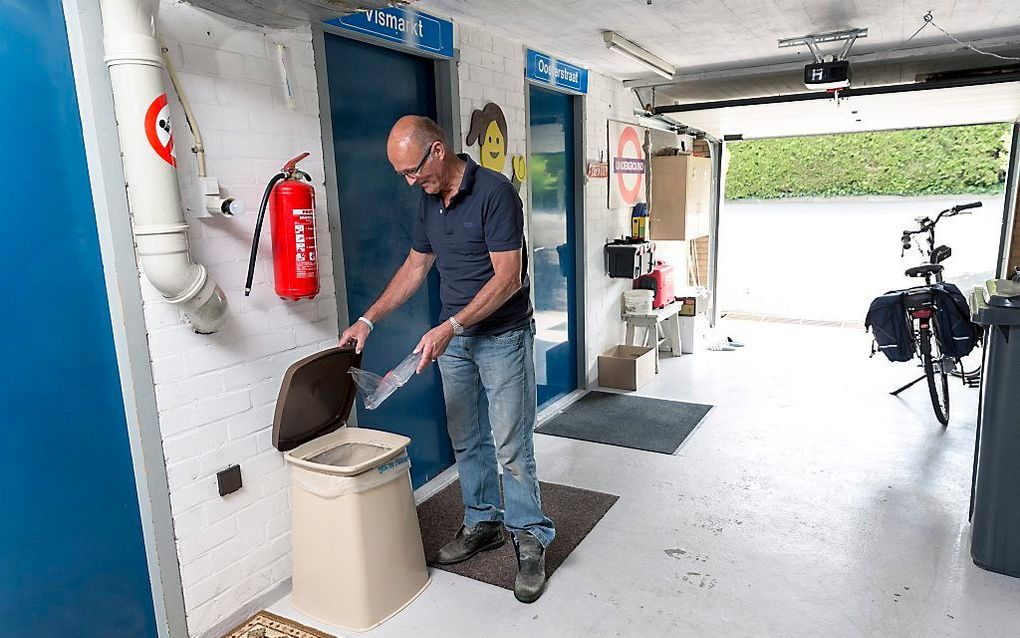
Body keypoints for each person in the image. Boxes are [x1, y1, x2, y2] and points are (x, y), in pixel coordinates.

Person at [339, 115, 555, 603]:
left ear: (438, 150)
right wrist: (368, 320)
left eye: (414, 171)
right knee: (467, 437)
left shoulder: (496, 193)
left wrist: (451, 325)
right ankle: (483, 522)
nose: (411, 182)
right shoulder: (429, 202)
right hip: (455, 341)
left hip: (501, 335)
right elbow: (415, 267)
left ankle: (530, 534)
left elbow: (508, 278)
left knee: (511, 444)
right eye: (403, 176)